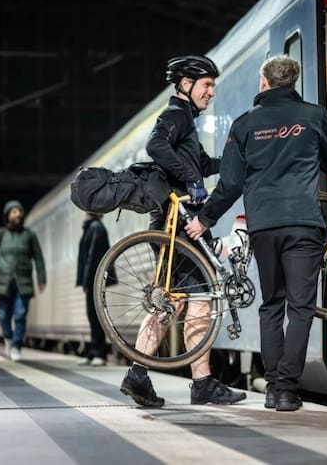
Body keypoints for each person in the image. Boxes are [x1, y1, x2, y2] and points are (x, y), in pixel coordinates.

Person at [186, 55, 327, 411]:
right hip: (304, 222)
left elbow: (230, 184)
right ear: (293, 83)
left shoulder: (245, 125)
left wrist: (206, 219)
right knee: (302, 307)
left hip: (264, 227)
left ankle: (274, 386)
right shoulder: (313, 115)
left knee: (271, 305)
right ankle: (287, 390)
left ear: (264, 83)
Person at [119, 54, 246, 407]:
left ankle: (139, 374)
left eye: (213, 86)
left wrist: (235, 165)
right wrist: (191, 179)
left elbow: (202, 164)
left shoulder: (186, 121)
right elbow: (155, 145)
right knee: (197, 299)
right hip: (175, 224)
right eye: (206, 85)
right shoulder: (175, 115)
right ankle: (200, 383)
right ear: (185, 85)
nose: (211, 93)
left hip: (174, 223)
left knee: (174, 301)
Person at [0, 200, 47, 361]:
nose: (17, 214)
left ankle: (17, 346)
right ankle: (8, 338)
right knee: (3, 314)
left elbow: (38, 258)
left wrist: (41, 279)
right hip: (4, 281)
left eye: (19, 211)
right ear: (7, 215)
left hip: (23, 281)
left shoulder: (29, 235)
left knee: (20, 314)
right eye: (14, 212)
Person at [76, 212, 113, 366]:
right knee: (92, 315)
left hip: (94, 279)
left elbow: (92, 258)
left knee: (96, 316)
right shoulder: (92, 228)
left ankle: (99, 353)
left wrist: (87, 281)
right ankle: (94, 351)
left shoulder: (96, 228)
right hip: (92, 279)